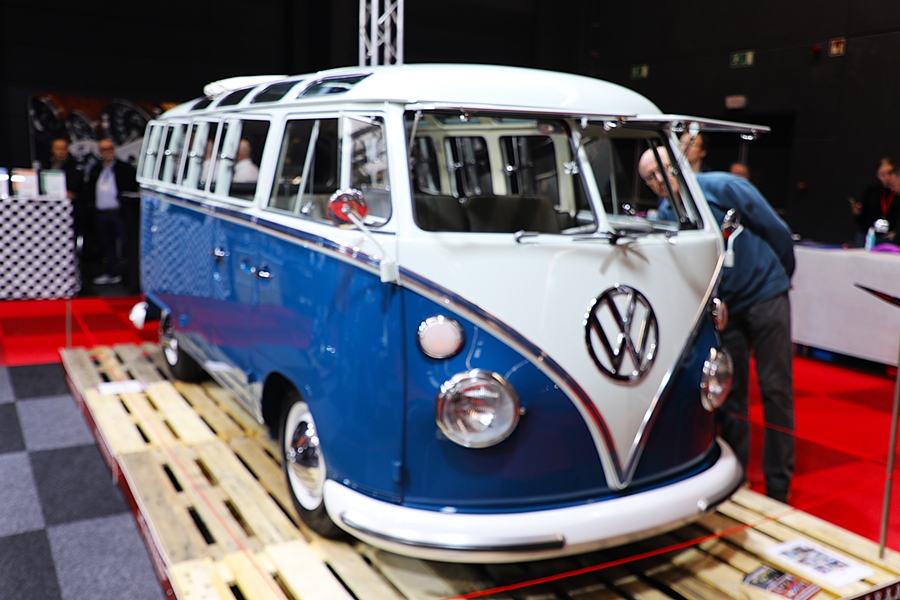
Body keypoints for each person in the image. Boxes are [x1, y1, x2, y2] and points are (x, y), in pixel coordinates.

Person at [638, 147, 796, 503]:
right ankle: (737, 476)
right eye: (650, 177)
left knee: (776, 390)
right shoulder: (665, 215)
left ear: (678, 163)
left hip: (766, 295)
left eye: (663, 169)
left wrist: (779, 278)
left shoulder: (723, 187)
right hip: (728, 309)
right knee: (731, 392)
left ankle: (779, 486)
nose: (659, 179)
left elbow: (777, 231)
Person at [84, 139, 138, 285]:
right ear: (100, 152)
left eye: (110, 149)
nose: (108, 152)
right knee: (107, 245)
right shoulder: (96, 169)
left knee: (126, 244)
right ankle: (111, 272)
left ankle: (130, 277)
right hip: (102, 213)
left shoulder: (125, 168)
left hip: (119, 213)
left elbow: (131, 188)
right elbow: (90, 188)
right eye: (105, 150)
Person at [851, 157, 898, 244]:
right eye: (882, 175)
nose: (887, 178)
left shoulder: (897, 192)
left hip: (890, 238)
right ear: (877, 175)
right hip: (869, 235)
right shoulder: (871, 192)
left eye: (889, 173)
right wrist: (858, 212)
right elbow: (862, 220)